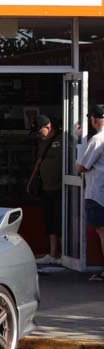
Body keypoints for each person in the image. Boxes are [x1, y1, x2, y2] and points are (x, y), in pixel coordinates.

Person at [26, 115, 62, 265]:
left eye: (40, 131)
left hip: (61, 187)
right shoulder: (42, 142)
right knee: (49, 220)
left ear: (48, 127)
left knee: (60, 220)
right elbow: (39, 162)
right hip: (46, 187)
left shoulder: (64, 140)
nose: (39, 135)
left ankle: (64, 254)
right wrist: (31, 181)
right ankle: (53, 254)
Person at [77, 104, 104, 281]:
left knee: (102, 231)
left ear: (94, 120)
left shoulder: (97, 140)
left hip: (97, 191)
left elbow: (81, 167)